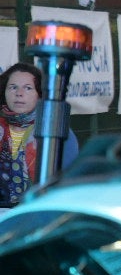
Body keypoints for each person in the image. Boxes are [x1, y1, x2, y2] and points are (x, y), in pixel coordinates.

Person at [1, 62, 79, 209]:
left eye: (28, 88)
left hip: (40, 209)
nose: (19, 93)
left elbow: (68, 182)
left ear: (40, 94)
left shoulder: (55, 133)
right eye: (13, 87)